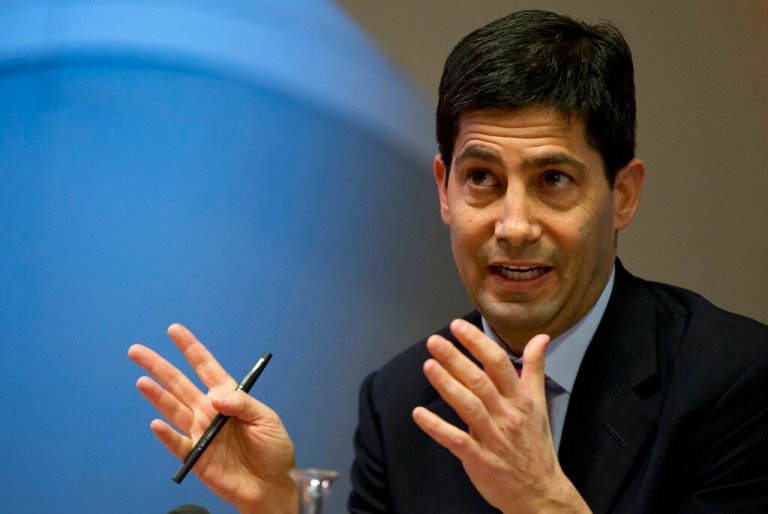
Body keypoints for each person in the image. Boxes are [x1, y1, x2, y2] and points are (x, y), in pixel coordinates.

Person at [129, 9, 768, 513]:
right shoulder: (401, 400)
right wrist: (275, 507)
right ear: (443, 188)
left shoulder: (735, 383)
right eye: (482, 178)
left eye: (552, 180)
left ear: (622, 194)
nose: (513, 227)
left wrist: (542, 503)